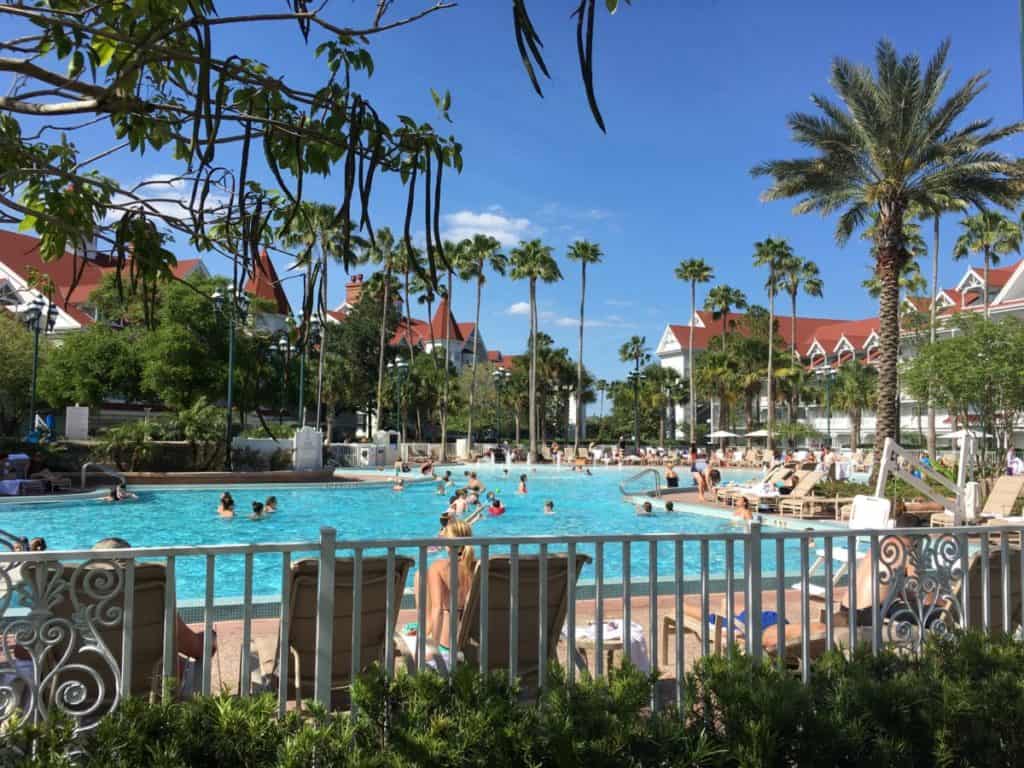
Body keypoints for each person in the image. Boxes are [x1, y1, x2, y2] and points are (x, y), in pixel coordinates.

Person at [92, 538, 216, 667]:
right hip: (149, 682)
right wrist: (210, 638)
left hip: (86, 680)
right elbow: (193, 647)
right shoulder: (149, 593)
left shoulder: (76, 600)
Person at [414, 520, 475, 652]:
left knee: (419, 576)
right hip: (472, 637)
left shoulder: (440, 567)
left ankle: (424, 628)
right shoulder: (477, 567)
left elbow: (438, 610)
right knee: (421, 575)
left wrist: (432, 649)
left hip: (447, 639)